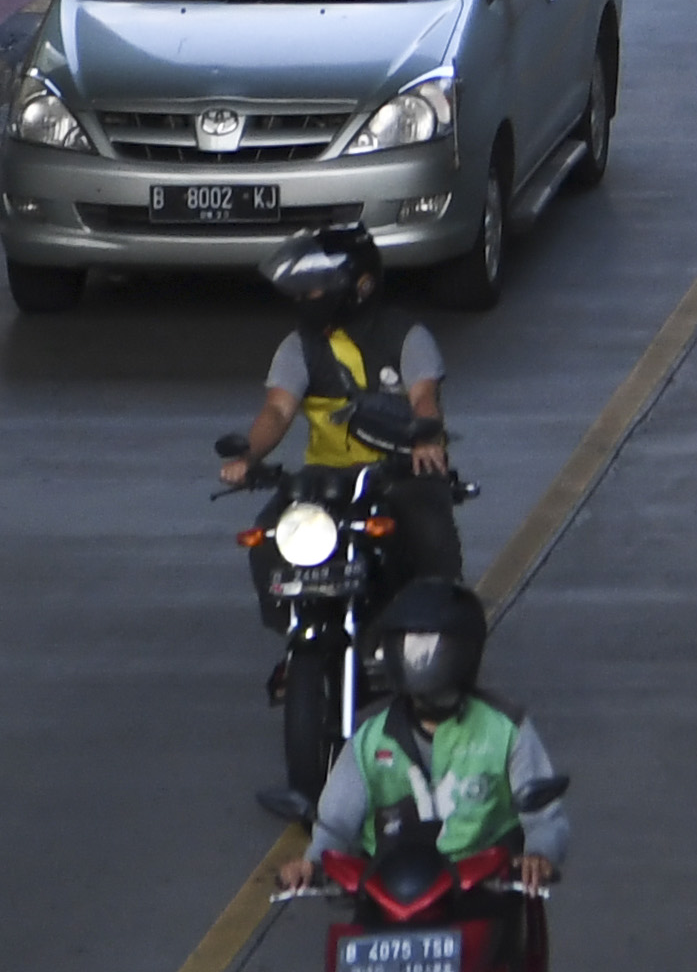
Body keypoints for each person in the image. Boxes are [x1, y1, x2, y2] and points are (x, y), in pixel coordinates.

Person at [281, 580, 572, 922]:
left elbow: (544, 818)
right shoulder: (371, 737)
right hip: (389, 896)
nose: (418, 660)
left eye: (430, 649)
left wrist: (538, 855)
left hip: (482, 894)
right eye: (408, 648)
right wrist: (311, 863)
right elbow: (336, 823)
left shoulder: (505, 727)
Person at [217, 227, 463, 598]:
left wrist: (425, 439)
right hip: (326, 475)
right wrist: (248, 455)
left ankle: (437, 617)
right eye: (299, 292)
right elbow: (277, 412)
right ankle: (298, 626)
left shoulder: (406, 336)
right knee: (270, 538)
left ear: (359, 288)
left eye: (313, 291)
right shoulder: (297, 347)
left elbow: (424, 397)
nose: (304, 300)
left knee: (430, 535)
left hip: (400, 470)